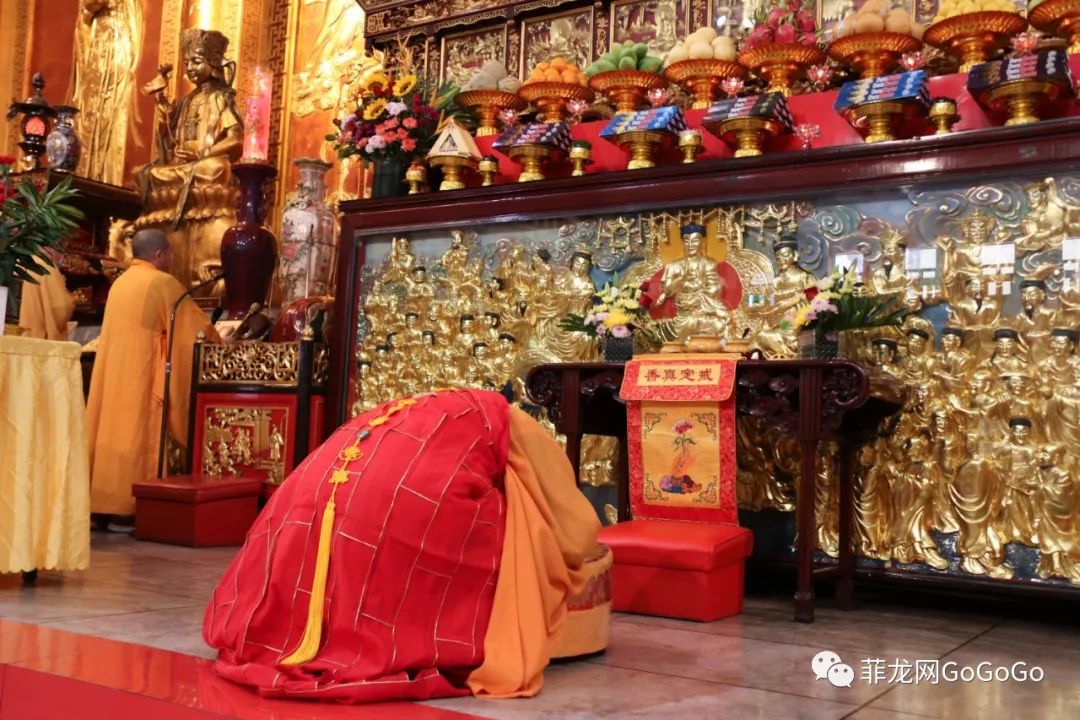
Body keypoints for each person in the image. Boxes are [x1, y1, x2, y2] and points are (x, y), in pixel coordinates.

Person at [204, 388, 599, 703]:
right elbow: (568, 521)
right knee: (519, 532)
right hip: (392, 510)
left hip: (297, 515)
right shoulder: (507, 424)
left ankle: (309, 633)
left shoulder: (415, 415)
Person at [85, 229, 220, 529]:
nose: (172, 258)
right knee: (136, 433)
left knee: (111, 431)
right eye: (170, 253)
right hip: (142, 375)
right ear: (159, 254)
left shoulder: (119, 283)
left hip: (113, 375)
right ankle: (127, 507)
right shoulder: (161, 283)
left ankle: (102, 505)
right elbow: (193, 330)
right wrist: (220, 340)